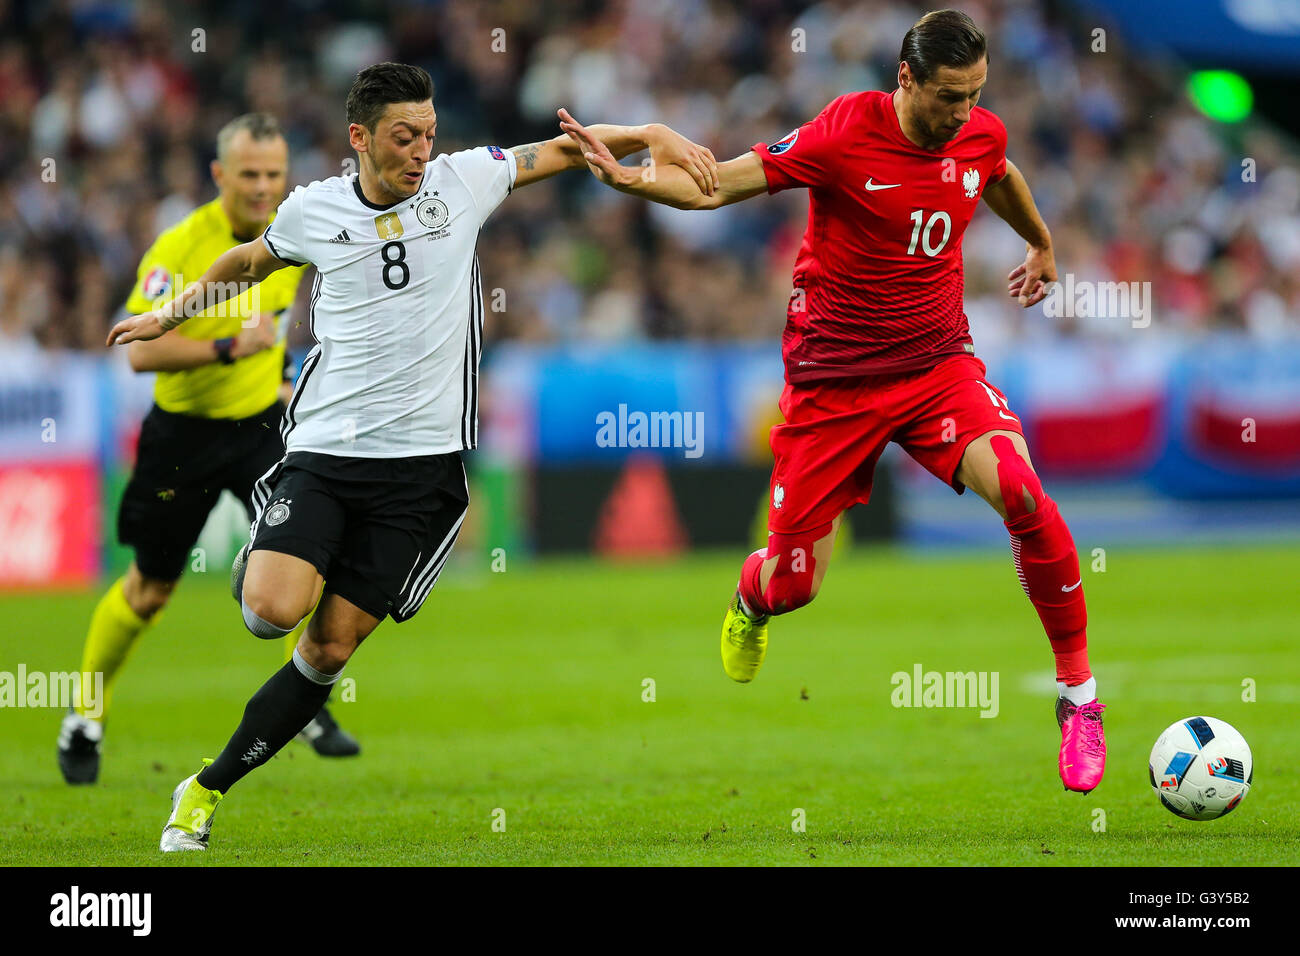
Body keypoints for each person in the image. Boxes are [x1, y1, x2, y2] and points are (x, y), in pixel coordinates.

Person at [106, 62, 717, 850]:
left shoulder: (464, 182)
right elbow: (248, 261)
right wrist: (168, 316)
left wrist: (651, 134)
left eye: (429, 134)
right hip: (326, 450)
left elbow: (561, 153)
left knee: (327, 648)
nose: (422, 150)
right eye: (404, 136)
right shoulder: (313, 210)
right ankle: (265, 565)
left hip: (422, 473)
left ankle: (204, 788)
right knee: (269, 614)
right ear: (360, 137)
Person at [559, 9, 1106, 794]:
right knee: (796, 585)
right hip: (834, 386)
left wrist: (1042, 243)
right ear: (907, 78)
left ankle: (1079, 698)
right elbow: (722, 187)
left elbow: (998, 171)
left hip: (935, 366)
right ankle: (753, 595)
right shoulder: (845, 131)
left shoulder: (977, 132)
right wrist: (633, 177)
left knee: (1022, 489)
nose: (963, 115)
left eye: (976, 95)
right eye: (950, 97)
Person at [59, 113, 359, 786]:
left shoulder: (292, 231)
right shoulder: (182, 248)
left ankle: (305, 703)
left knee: (306, 557)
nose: (262, 188)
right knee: (149, 591)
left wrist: (281, 378)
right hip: (181, 441)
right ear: (219, 175)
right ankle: (83, 712)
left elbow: (278, 330)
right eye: (248, 175)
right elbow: (141, 354)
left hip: (260, 430)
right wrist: (230, 347)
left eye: (273, 175)